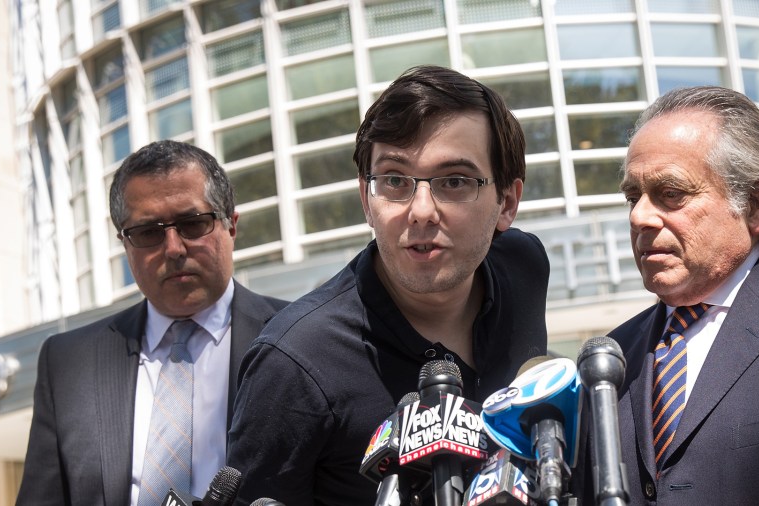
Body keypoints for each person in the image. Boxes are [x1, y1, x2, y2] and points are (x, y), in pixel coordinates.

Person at [226, 65, 550, 505]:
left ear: (506, 204)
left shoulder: (523, 267)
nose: (420, 211)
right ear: (366, 198)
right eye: (395, 180)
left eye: (454, 181)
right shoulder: (294, 364)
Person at [578, 86, 759, 505]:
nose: (639, 217)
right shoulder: (607, 363)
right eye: (633, 197)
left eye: (671, 194)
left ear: (755, 204)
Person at [16, 140, 288, 506]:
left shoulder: (296, 337)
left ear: (231, 225)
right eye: (148, 233)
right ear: (125, 244)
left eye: (192, 224)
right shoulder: (66, 363)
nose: (174, 248)